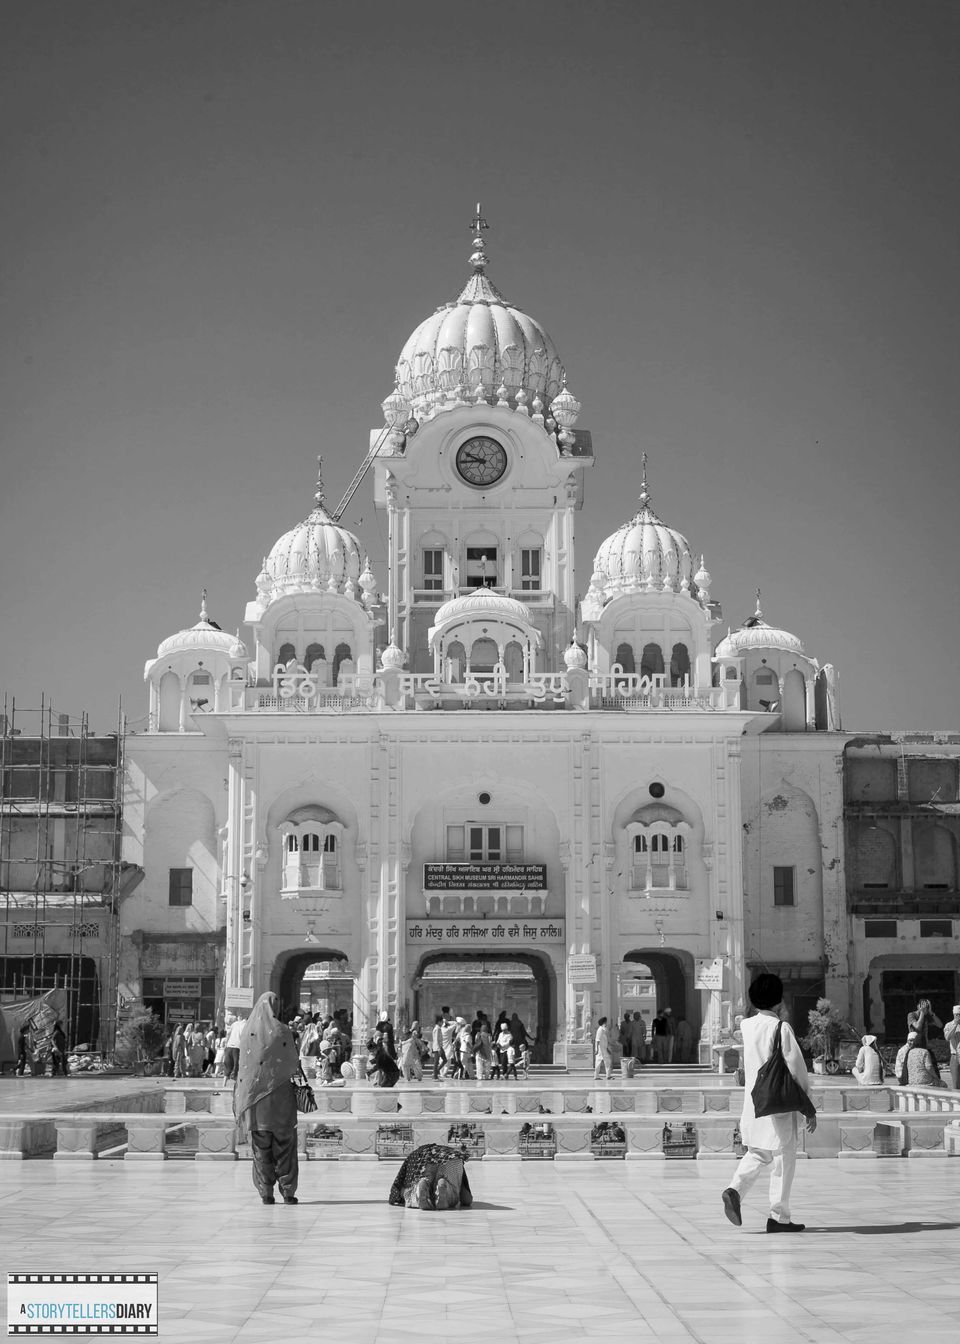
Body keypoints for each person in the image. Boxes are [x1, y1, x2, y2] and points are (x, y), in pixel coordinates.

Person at [721, 972, 817, 1234]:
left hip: (755, 1102)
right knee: (784, 1157)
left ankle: (735, 1190)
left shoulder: (747, 1026)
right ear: (778, 1000)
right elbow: (796, 1068)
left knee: (758, 1152)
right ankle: (779, 1217)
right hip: (779, 1102)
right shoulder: (780, 1028)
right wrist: (807, 1105)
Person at [232, 991, 300, 1205]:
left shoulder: (246, 1033)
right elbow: (293, 1063)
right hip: (281, 1100)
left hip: (256, 1101)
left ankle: (266, 1193)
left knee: (261, 1150)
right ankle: (288, 1192)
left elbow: (244, 1069)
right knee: (285, 1146)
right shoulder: (283, 1031)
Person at [388, 1143, 473, 1210]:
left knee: (411, 1192)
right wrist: (466, 1201)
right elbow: (466, 1199)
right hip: (451, 1157)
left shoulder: (406, 1169)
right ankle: (443, 1186)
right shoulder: (456, 1160)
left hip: (422, 1157)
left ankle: (421, 1187)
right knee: (452, 1187)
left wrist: (404, 1194)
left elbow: (398, 1189)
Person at [222, 1013, 245, 1081]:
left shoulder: (234, 1024)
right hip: (237, 1047)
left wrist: (226, 1044)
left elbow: (228, 1034)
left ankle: (224, 1084)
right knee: (236, 1065)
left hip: (229, 1046)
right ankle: (235, 1081)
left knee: (227, 1065)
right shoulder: (245, 1024)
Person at [944, 1004, 960, 1092]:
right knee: (956, 1083)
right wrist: (955, 1025)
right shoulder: (949, 1025)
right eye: (957, 1015)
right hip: (955, 1056)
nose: (958, 1017)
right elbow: (947, 1037)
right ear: (954, 1014)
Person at [594, 1016, 614, 1080]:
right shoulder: (600, 1030)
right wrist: (597, 1050)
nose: (606, 1023)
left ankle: (608, 1075)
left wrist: (607, 1048)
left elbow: (605, 1040)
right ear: (603, 1022)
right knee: (598, 1062)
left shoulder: (604, 1030)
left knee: (608, 1061)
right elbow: (597, 1040)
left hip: (604, 1049)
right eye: (605, 1022)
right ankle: (596, 1076)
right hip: (600, 1050)